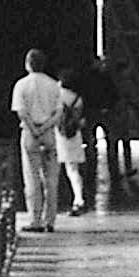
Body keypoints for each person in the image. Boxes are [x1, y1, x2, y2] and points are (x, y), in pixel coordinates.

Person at [10, 48, 62, 232]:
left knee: (31, 178)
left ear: (27, 64)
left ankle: (35, 220)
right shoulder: (54, 85)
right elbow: (58, 113)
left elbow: (22, 112)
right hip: (48, 134)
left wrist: (34, 129)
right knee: (51, 179)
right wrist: (45, 127)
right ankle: (50, 221)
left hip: (31, 134)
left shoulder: (21, 85)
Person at [77, 54, 122, 189]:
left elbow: (84, 95)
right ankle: (114, 172)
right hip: (106, 112)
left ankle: (90, 173)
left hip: (92, 112)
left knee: (91, 144)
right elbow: (115, 94)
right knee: (111, 143)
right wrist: (110, 106)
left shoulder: (86, 79)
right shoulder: (106, 78)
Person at [55, 70, 87, 216]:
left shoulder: (55, 96)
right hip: (73, 136)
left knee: (51, 170)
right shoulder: (77, 99)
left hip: (57, 134)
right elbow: (79, 118)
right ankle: (78, 199)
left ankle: (53, 200)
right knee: (73, 170)